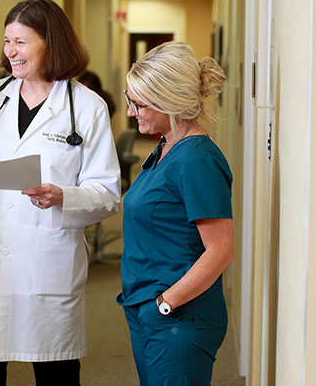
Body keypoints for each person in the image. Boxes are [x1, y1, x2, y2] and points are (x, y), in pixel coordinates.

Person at [0, 0, 120, 385]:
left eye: (21, 41)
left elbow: (106, 192)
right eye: (7, 41)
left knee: (56, 373)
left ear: (50, 44)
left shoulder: (87, 108)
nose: (10, 52)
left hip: (46, 269)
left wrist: (62, 196)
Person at [116, 41, 233, 385]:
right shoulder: (166, 147)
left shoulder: (197, 160)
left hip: (178, 318)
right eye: (129, 99)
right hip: (149, 310)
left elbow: (221, 249)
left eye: (139, 104)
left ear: (170, 101)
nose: (130, 112)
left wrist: (165, 304)